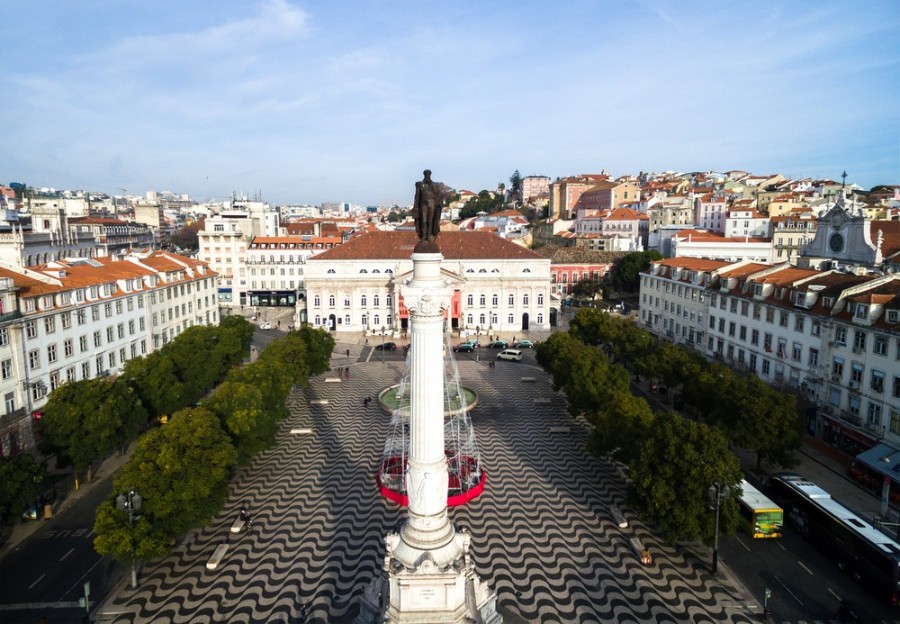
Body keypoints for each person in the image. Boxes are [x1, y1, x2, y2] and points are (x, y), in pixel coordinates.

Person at [413, 169, 442, 242]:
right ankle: (424, 236)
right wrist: (416, 207)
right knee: (424, 220)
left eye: (428, 175)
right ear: (424, 175)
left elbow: (437, 196)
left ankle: (429, 235)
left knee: (430, 220)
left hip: (431, 202)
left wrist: (438, 204)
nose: (427, 176)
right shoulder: (420, 185)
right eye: (426, 175)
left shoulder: (434, 185)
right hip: (423, 203)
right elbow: (417, 196)